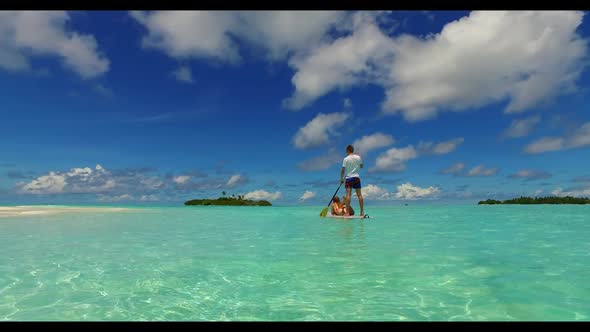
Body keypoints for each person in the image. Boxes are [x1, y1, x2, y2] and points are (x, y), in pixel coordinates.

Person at [340, 144, 364, 217]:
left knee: (348, 195)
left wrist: (341, 179)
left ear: (347, 150)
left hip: (349, 178)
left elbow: (343, 170)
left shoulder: (346, 159)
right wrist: (360, 159)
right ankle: (362, 212)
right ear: (352, 150)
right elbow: (362, 166)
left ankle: (347, 213)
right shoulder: (358, 157)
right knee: (359, 195)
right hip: (356, 177)